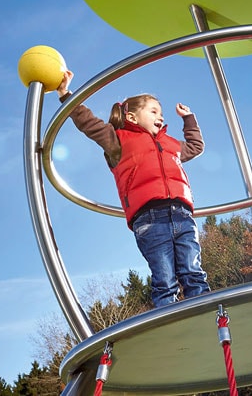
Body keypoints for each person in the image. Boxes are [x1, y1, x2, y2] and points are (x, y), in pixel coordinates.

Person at [57, 70, 210, 307]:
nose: (160, 117)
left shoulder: (170, 144)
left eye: (161, 112)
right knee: (165, 278)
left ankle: (205, 311)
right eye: (154, 111)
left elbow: (196, 146)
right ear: (132, 117)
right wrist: (65, 94)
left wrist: (188, 118)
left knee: (193, 271)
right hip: (150, 219)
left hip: (182, 214)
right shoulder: (118, 140)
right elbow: (89, 123)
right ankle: (168, 322)